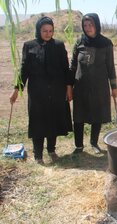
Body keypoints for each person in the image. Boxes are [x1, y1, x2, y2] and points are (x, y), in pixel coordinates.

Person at [9, 16, 73, 164]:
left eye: (50, 31)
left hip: (56, 91)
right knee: (38, 122)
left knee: (53, 121)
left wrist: (69, 88)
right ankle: (38, 155)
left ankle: (51, 150)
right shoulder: (29, 45)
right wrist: (16, 90)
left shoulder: (58, 45)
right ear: (38, 30)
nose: (48, 34)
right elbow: (23, 70)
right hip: (37, 93)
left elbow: (65, 68)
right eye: (45, 31)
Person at [69, 13, 117, 154]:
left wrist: (114, 87)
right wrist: (69, 87)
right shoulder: (79, 42)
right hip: (80, 86)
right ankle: (78, 146)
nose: (88, 28)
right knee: (79, 116)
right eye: (85, 25)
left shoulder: (106, 43)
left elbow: (110, 66)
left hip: (99, 86)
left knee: (97, 115)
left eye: (90, 24)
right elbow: (73, 66)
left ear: (96, 25)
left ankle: (94, 143)